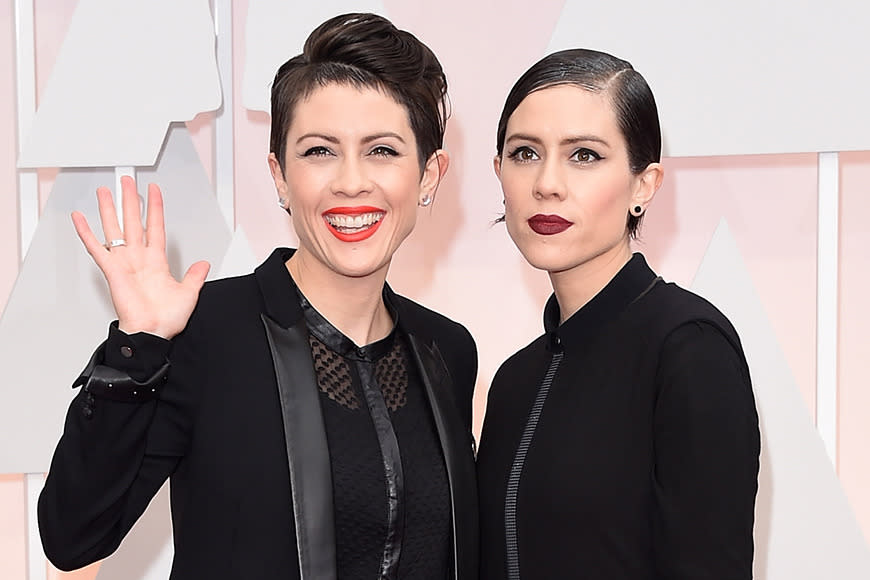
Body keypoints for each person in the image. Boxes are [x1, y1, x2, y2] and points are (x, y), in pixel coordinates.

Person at [38, 13, 478, 579]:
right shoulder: (205, 333)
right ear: (279, 176)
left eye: (383, 151)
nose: (350, 181)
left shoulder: (448, 349)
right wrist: (137, 348)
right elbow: (72, 537)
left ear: (429, 175)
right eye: (319, 151)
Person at [476, 49, 760, 579]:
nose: (547, 183)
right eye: (524, 153)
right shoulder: (514, 380)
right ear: (499, 172)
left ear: (643, 184)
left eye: (584, 155)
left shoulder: (688, 348)